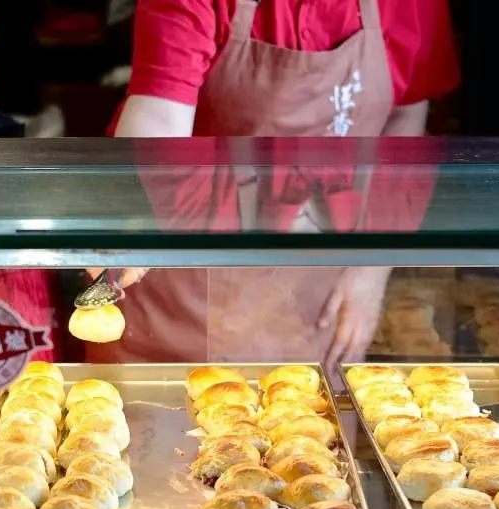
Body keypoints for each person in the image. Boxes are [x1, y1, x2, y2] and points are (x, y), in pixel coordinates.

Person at [87, 0, 459, 371]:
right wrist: (135, 218)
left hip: (313, 294)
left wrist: (371, 269)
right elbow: (160, 116)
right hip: (181, 288)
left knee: (304, 408)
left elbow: (406, 113)